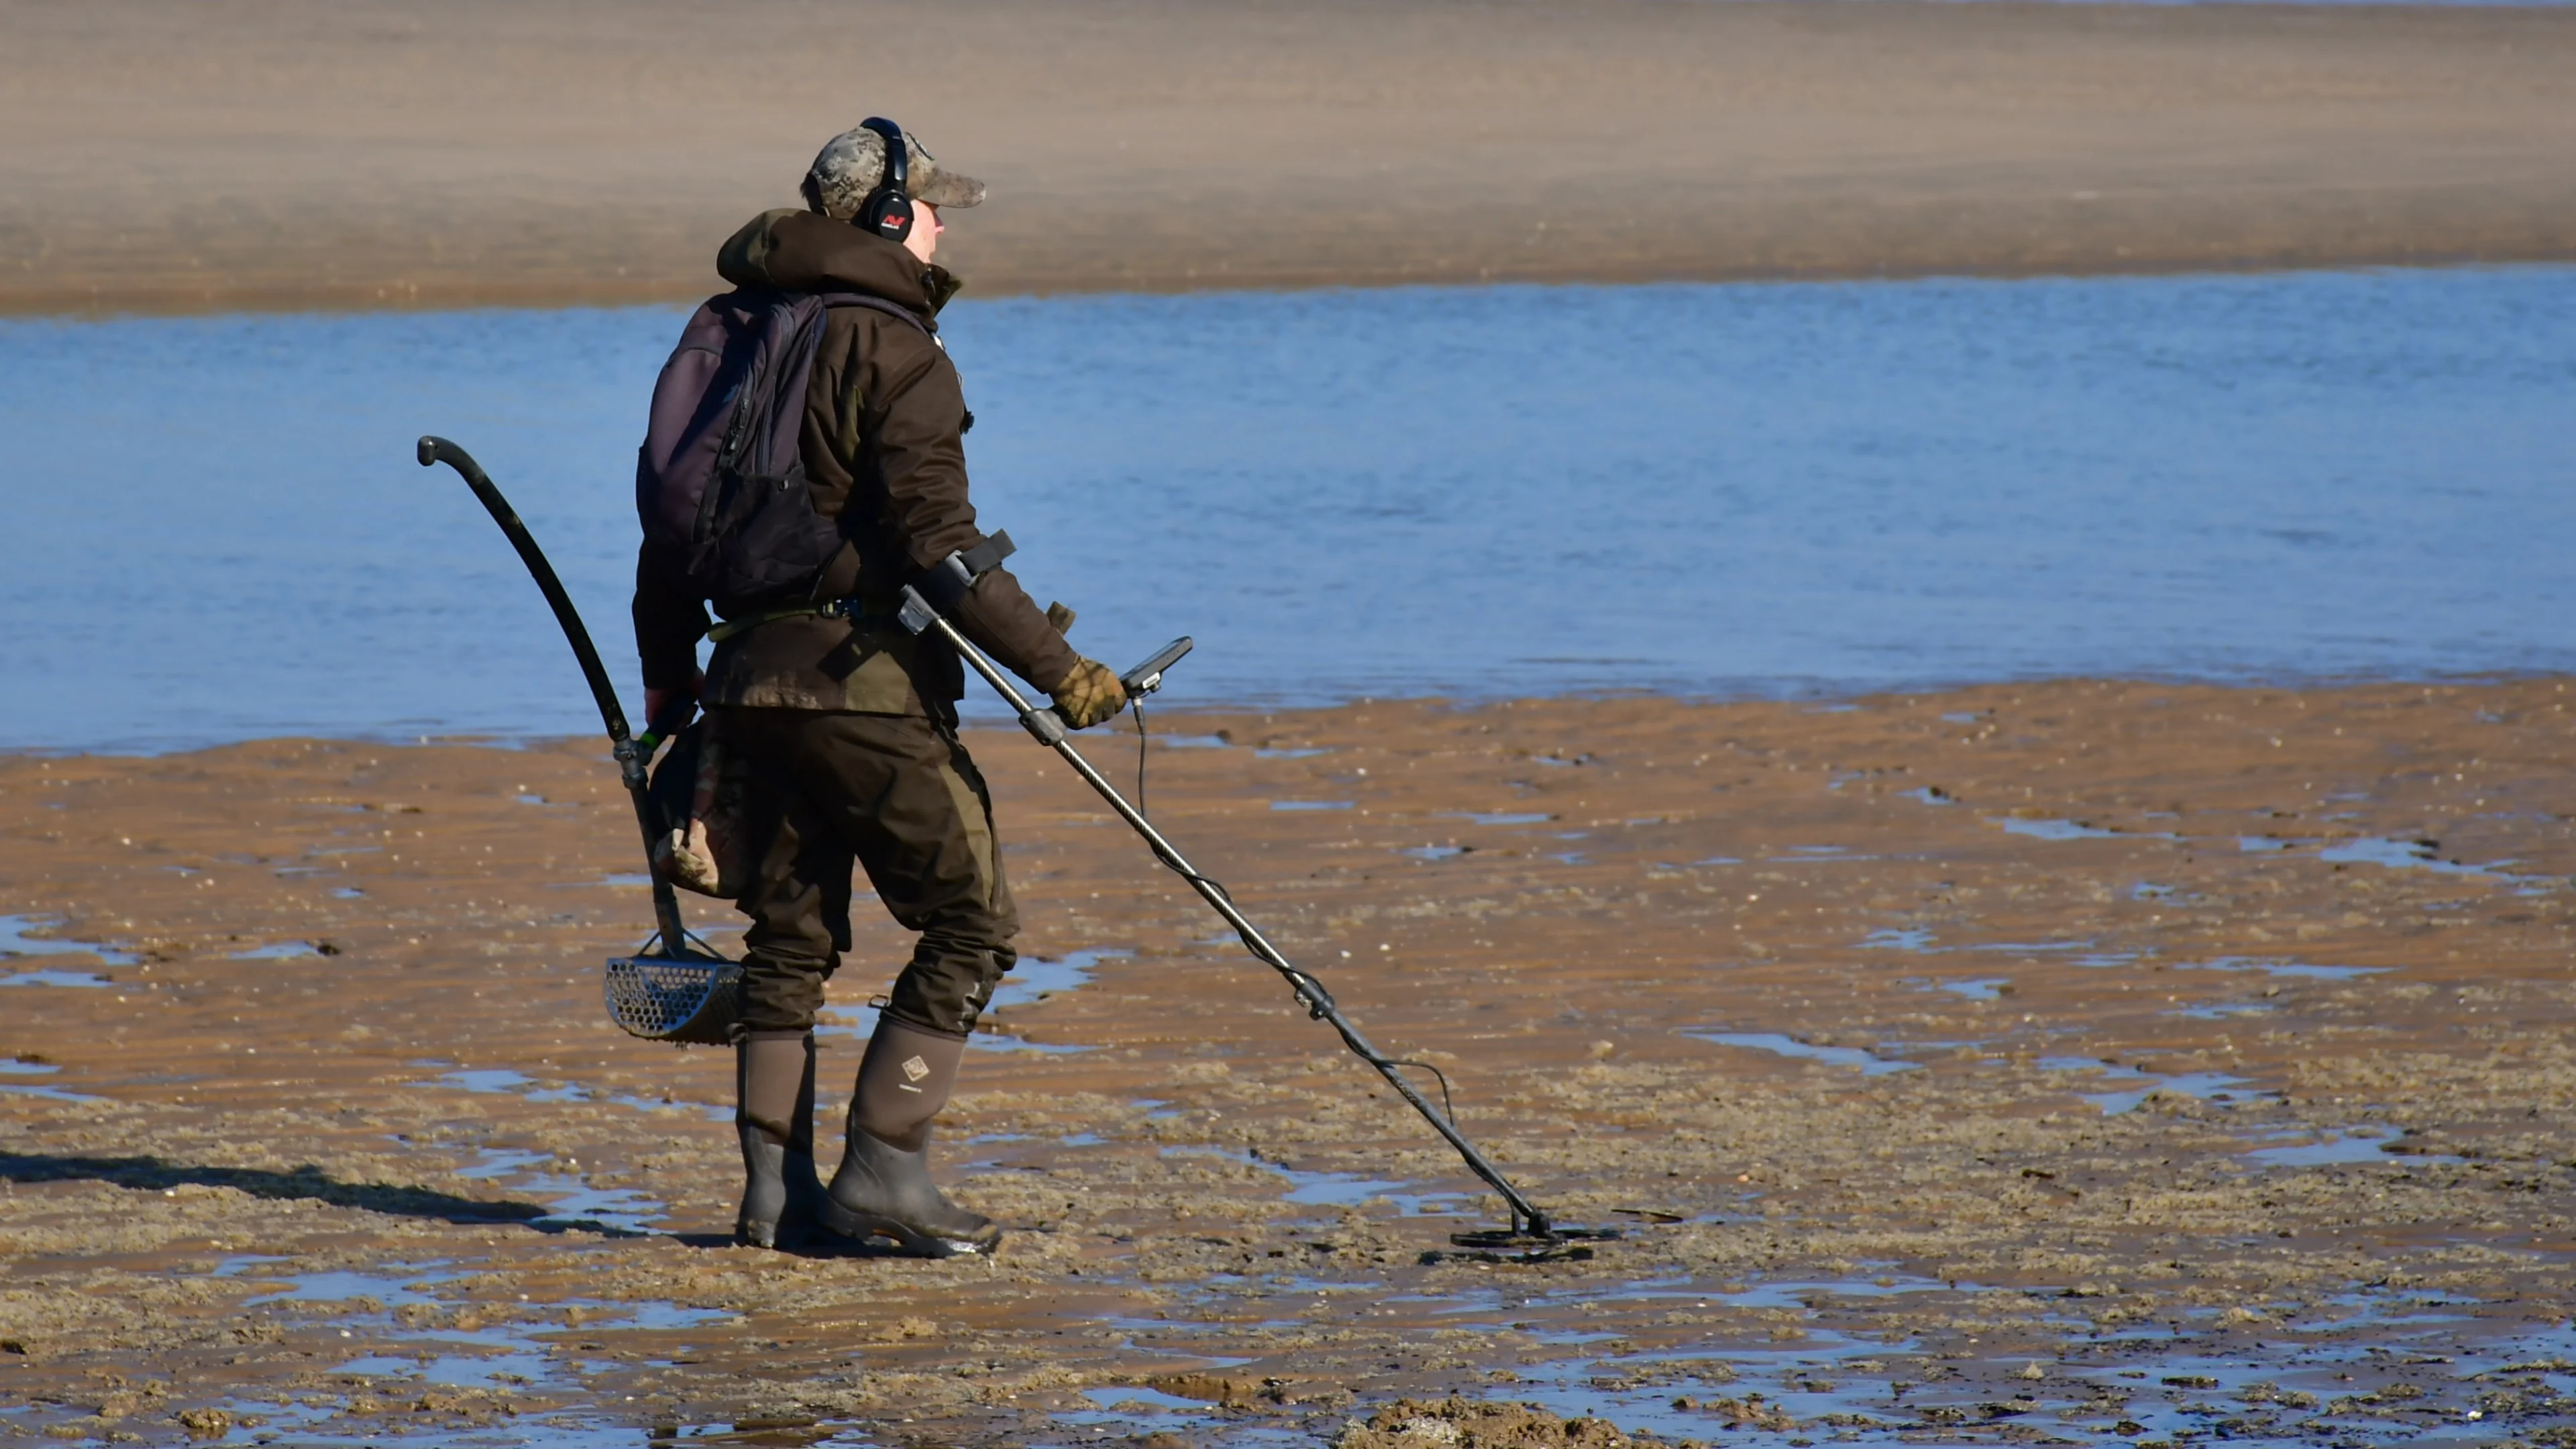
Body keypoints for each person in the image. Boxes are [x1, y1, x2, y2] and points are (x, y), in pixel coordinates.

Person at [633, 119, 1128, 1256]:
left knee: (790, 940)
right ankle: (884, 1171)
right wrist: (1066, 677)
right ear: (891, 219)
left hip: (739, 686)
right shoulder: (896, 347)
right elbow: (943, 551)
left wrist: (671, 707)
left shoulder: (729, 334)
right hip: (860, 689)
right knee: (971, 922)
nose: (947, 227)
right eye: (936, 208)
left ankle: (775, 1201)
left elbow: (666, 547)